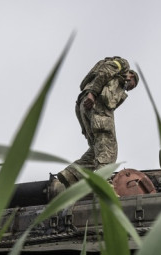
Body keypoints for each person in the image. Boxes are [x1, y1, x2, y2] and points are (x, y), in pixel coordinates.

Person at [49, 56, 139, 197]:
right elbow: (104, 72)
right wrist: (92, 94)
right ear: (131, 75)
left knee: (97, 149)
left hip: (84, 106)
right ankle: (104, 182)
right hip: (95, 104)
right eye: (133, 84)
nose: (131, 88)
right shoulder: (123, 65)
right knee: (109, 146)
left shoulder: (118, 86)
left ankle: (72, 174)